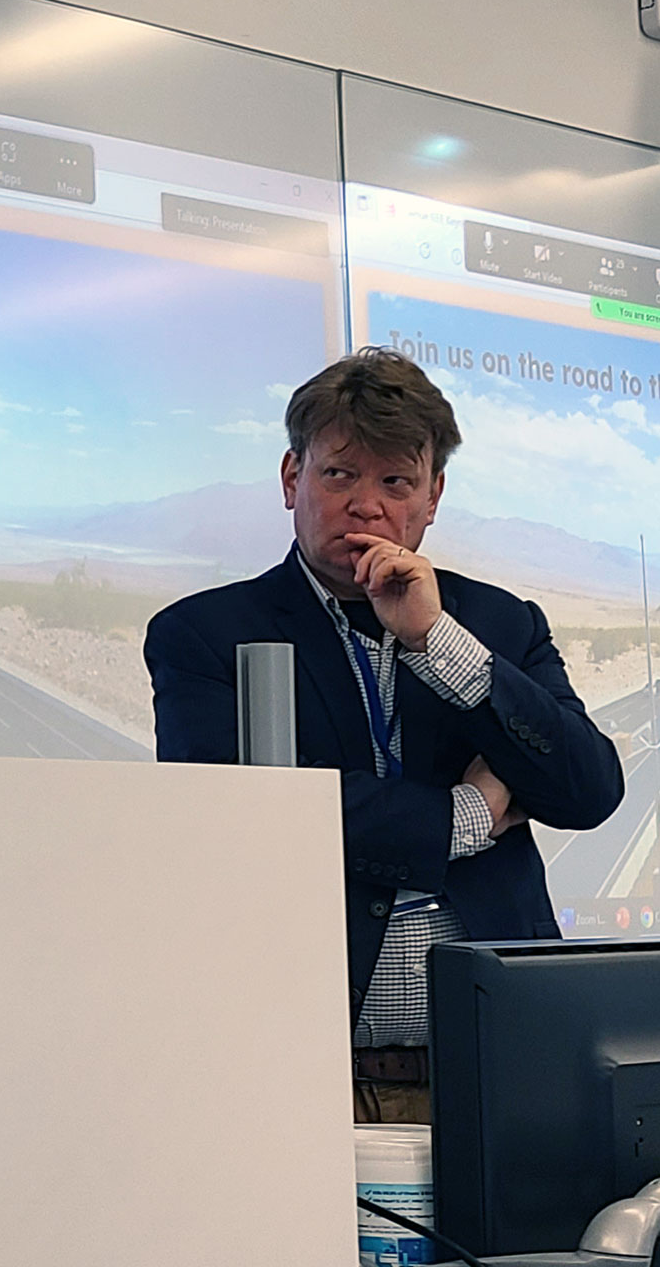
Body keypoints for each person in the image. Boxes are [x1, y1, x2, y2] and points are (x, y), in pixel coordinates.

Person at [144, 348, 622, 1123]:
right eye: (340, 475)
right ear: (292, 478)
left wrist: (439, 642)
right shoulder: (203, 636)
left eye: (395, 482)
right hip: (303, 1071)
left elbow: (590, 789)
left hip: (500, 1066)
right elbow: (244, 816)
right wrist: (467, 818)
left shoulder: (499, 623)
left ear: (431, 498)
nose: (366, 504)